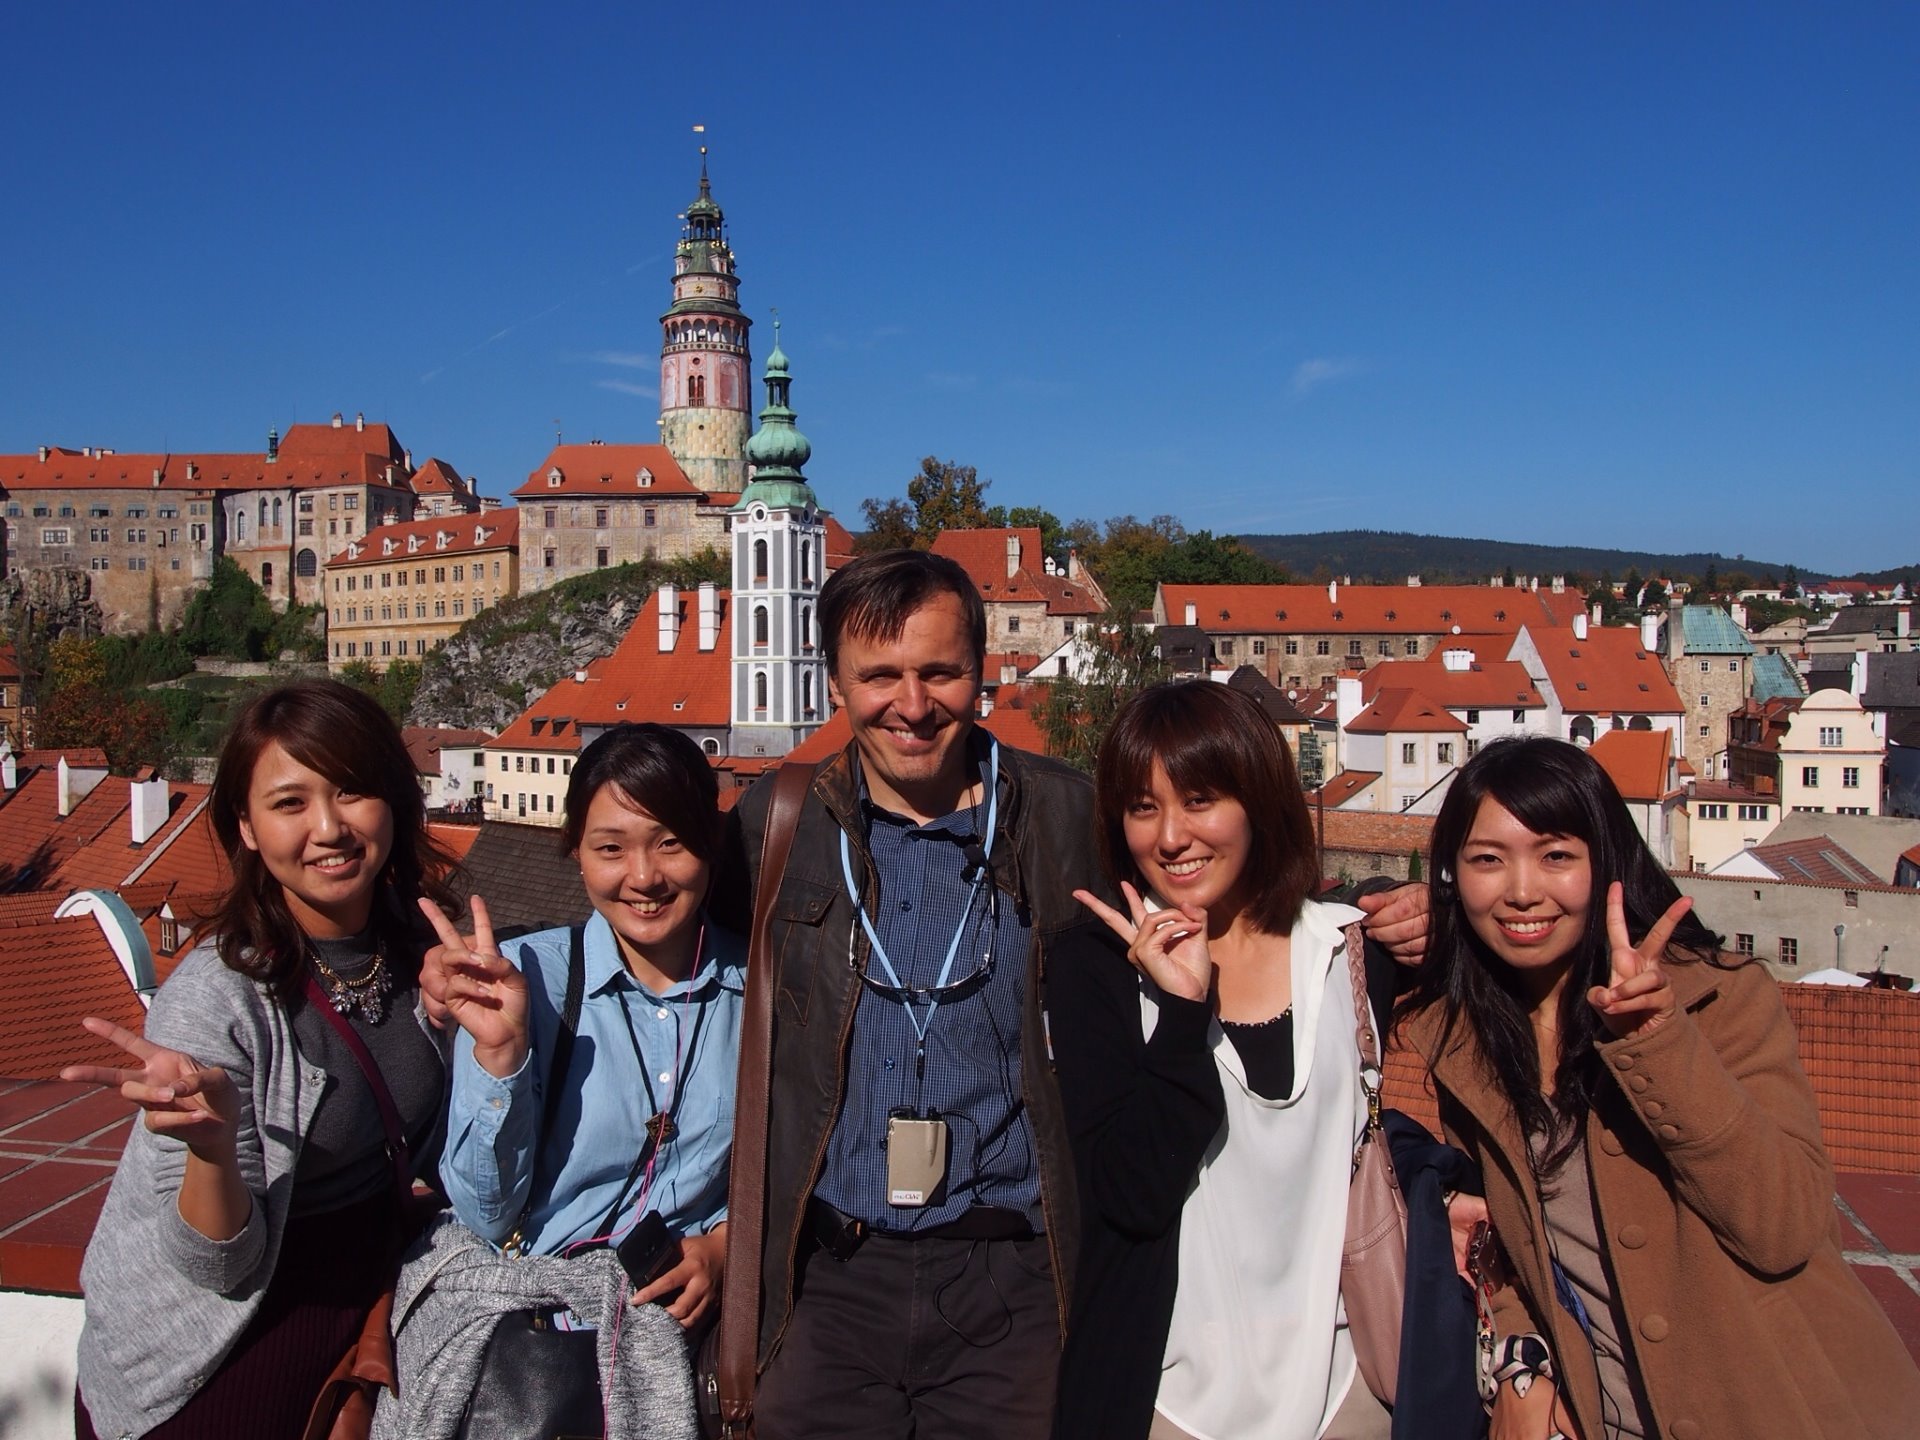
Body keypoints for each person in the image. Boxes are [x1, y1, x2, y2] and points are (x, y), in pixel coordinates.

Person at [723, 551, 1431, 1439]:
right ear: (834, 682)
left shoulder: (1064, 818)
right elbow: (660, 934)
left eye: (939, 671)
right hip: (832, 1271)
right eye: (880, 677)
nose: (911, 703)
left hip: (1011, 1282)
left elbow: (1218, 885)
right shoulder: (777, 827)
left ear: (981, 674)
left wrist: (1375, 911)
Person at [1400, 737, 1920, 1440]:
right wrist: (1526, 1365)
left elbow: (1786, 1228)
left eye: (1557, 855)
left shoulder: (1718, 1000)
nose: (1522, 889)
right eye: (1487, 859)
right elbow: (1510, 1238)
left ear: (1608, 864)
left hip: (1788, 1408)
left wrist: (1657, 1042)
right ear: (1452, 877)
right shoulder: (1465, 1039)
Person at [64, 680, 459, 1440]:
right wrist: (212, 1148)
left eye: (352, 791)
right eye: (289, 804)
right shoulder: (220, 1000)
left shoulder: (424, 950)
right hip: (216, 1354)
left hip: (361, 1309)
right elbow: (218, 1267)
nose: (329, 828)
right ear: (245, 826)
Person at [1053, 680, 1405, 1440]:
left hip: (1344, 1391)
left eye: (1201, 799)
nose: (1172, 836)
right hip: (1172, 1400)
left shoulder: (1346, 952)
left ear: (1258, 800)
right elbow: (1129, 1194)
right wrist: (1179, 1017)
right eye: (1144, 808)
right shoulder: (1094, 968)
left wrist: (1433, 908)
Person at [430, 721, 742, 1326]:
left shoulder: (760, 987)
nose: (644, 876)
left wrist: (722, 1250)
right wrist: (501, 1057)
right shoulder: (526, 980)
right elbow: (484, 1215)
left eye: (671, 842)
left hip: (683, 1329)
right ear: (576, 851)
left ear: (711, 843)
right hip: (546, 1325)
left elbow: (791, 1169)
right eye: (611, 849)